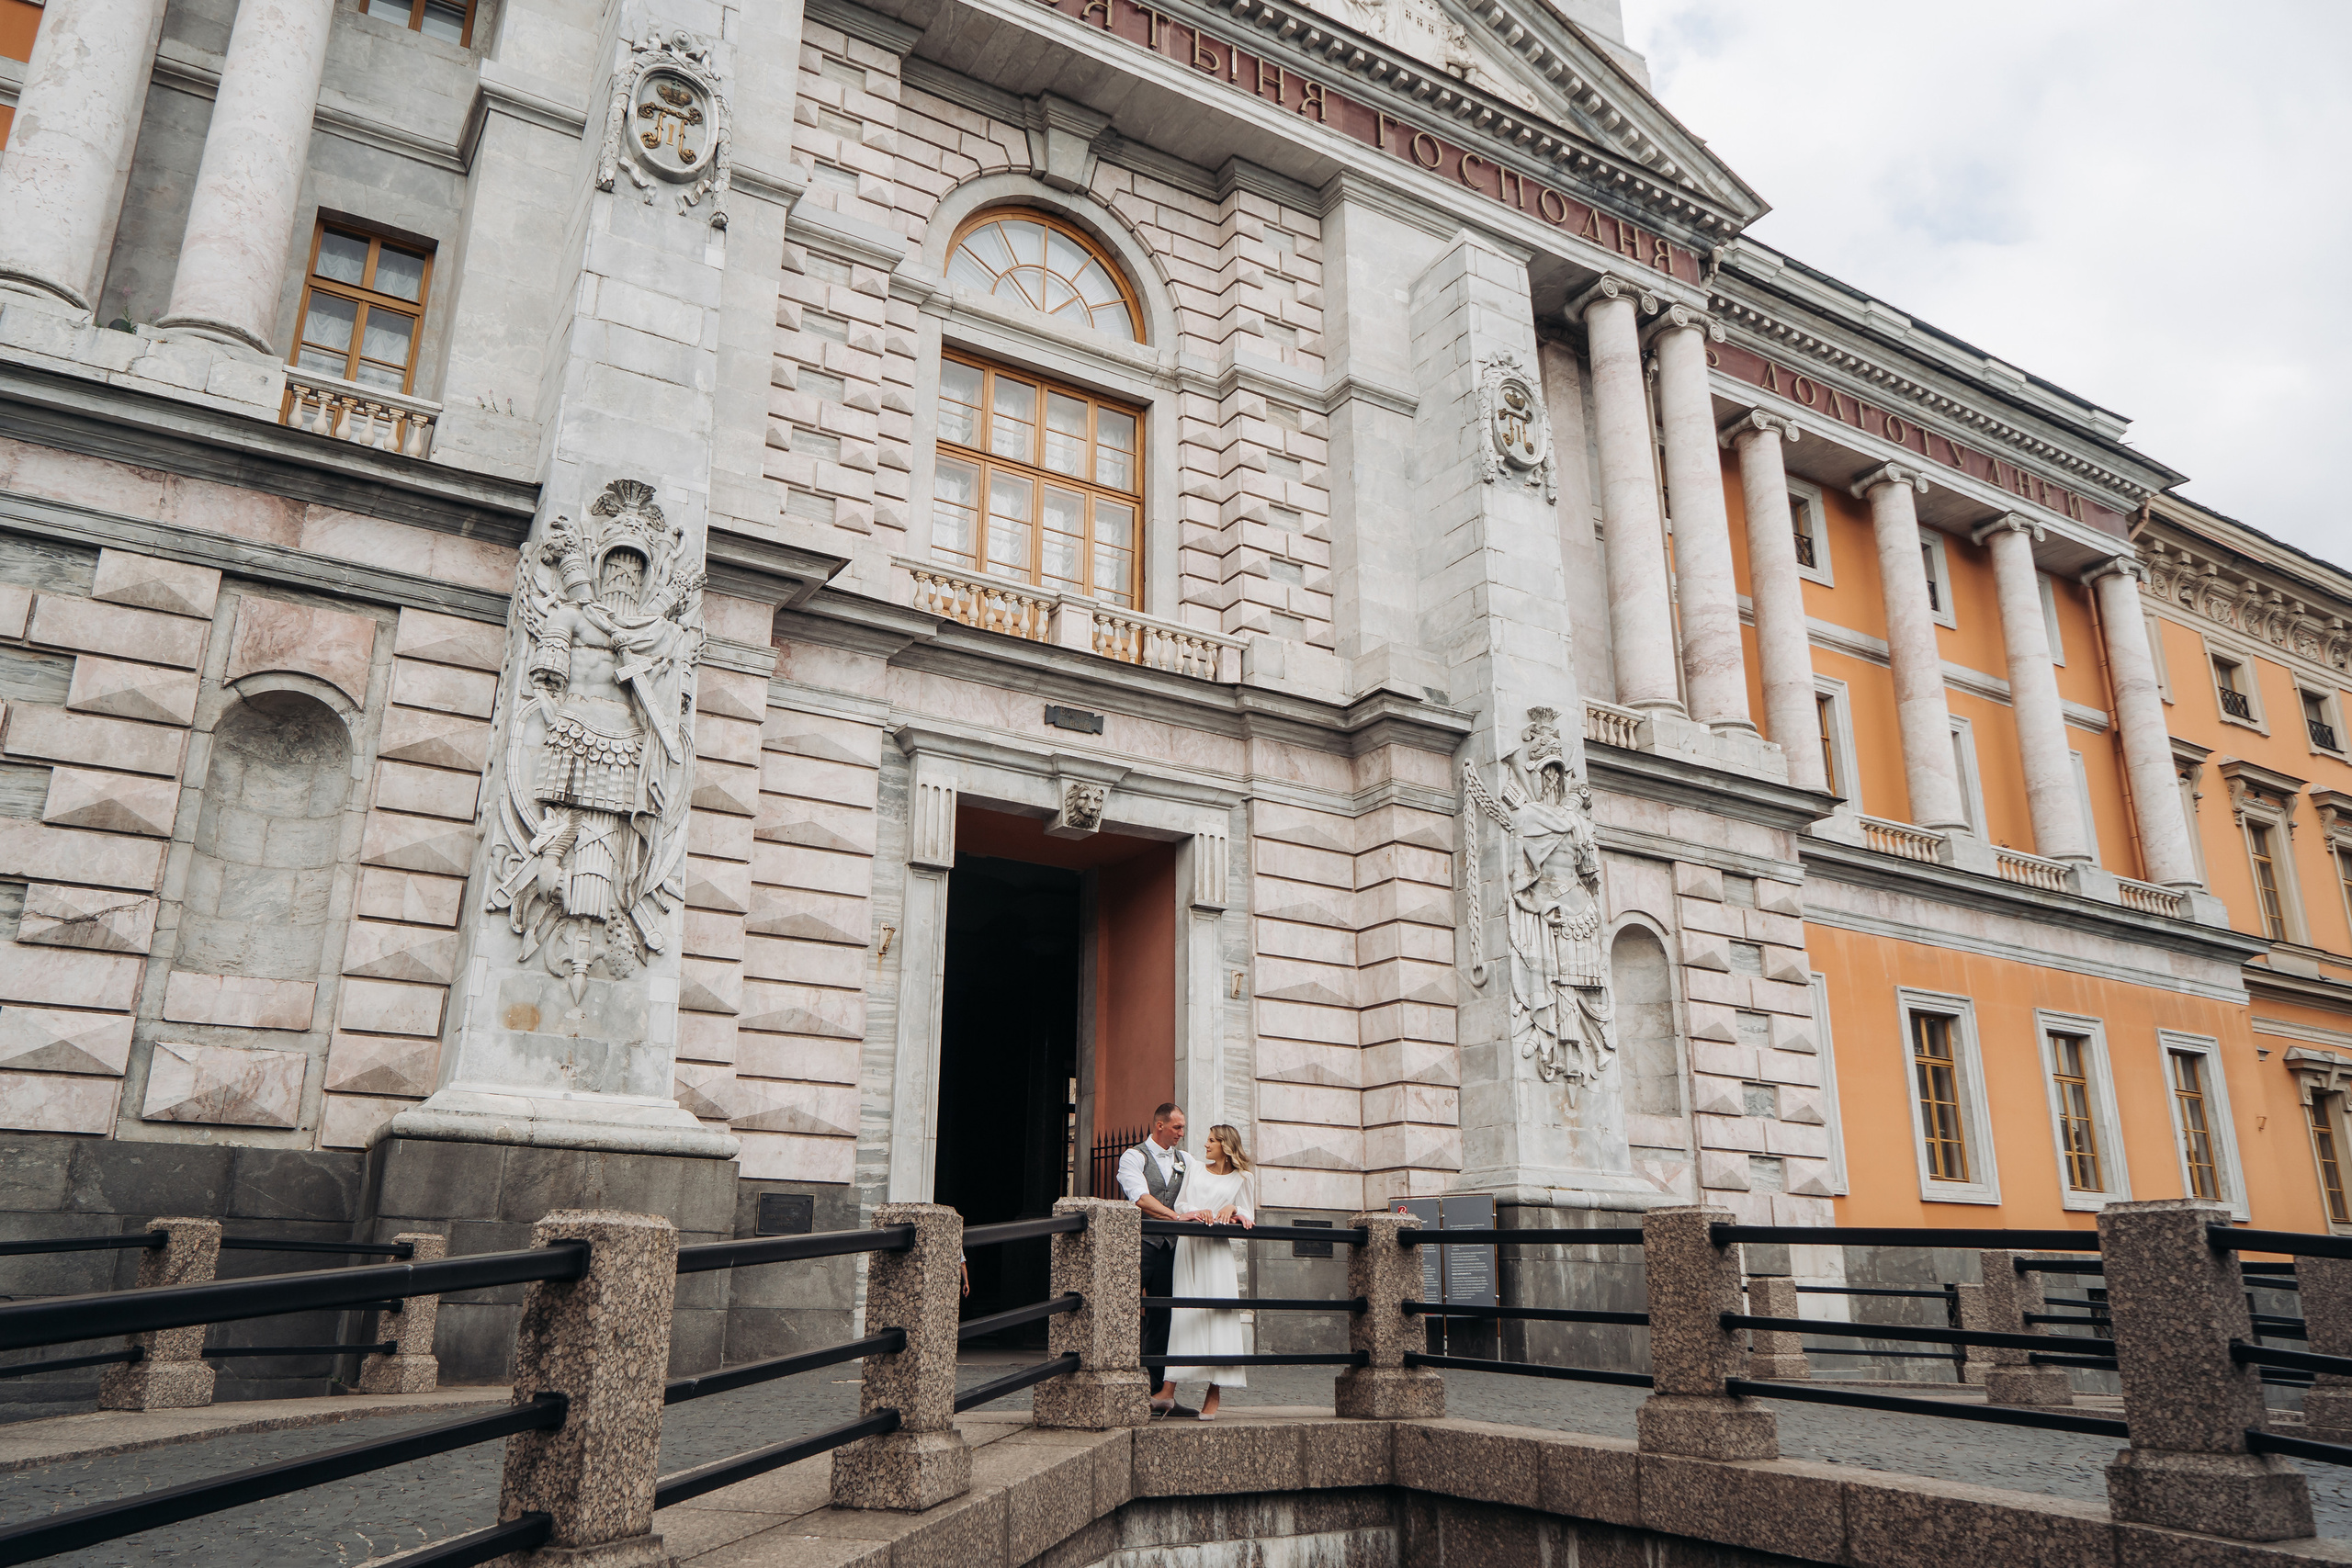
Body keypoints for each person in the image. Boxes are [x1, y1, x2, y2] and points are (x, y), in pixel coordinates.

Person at [1161, 1123, 1254, 1418]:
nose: (1206, 1145)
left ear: (1226, 1146)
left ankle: (1214, 1393)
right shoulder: (1196, 1169)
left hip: (1216, 1253)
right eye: (1208, 1139)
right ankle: (1167, 1389)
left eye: (1212, 1140)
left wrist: (1234, 1210)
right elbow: (1181, 1203)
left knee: (1219, 1316)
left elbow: (1250, 1213)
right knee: (1184, 1314)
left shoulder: (1243, 1177)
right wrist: (1198, 1211)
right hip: (1189, 1248)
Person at [1114, 1101, 1193, 1416]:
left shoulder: (1186, 1160)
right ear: (1160, 1125)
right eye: (1177, 1127)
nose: (1181, 1134)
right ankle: (1123, 1384)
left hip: (1172, 1249)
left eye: (1183, 1127)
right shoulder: (1133, 1156)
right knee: (1124, 1310)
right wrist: (1176, 1216)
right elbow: (1140, 1198)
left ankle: (1158, 1391)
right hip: (1141, 1244)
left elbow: (1207, 1185)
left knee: (1164, 1317)